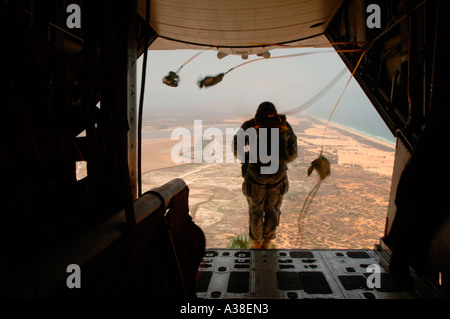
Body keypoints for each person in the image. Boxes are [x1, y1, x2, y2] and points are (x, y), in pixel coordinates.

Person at [233, 102, 298, 249]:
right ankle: (267, 242)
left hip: (256, 174)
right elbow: (293, 154)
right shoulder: (283, 125)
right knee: (273, 210)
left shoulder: (249, 125)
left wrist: (250, 158)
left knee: (256, 210)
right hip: (278, 175)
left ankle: (256, 242)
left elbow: (237, 150)